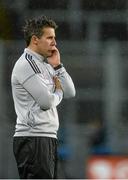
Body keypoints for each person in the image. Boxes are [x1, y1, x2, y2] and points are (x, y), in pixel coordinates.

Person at [11, 15, 76, 179]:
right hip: (33, 139)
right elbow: (46, 102)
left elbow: (70, 92)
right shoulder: (26, 64)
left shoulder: (46, 65)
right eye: (49, 38)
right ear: (35, 40)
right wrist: (58, 92)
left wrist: (58, 66)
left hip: (46, 138)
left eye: (54, 38)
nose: (54, 42)